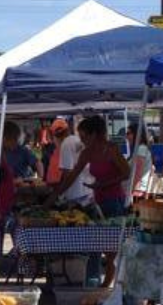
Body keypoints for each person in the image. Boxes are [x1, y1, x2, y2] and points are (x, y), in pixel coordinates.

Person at [53, 115, 130, 286]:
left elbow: (126, 173)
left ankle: (109, 283)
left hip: (115, 201)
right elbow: (72, 175)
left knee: (111, 247)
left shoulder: (111, 149)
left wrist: (104, 184)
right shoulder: (87, 152)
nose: (81, 140)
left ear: (94, 135)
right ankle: (93, 282)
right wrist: (55, 195)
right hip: (98, 201)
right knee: (95, 242)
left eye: (83, 136)